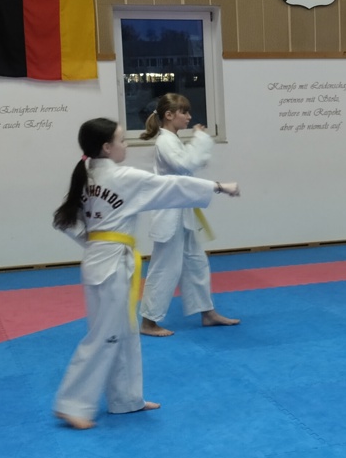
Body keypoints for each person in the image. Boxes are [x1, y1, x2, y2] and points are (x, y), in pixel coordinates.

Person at [50, 117, 240, 429]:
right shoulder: (121, 177)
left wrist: (94, 242)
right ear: (107, 147)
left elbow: (64, 221)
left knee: (125, 333)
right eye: (122, 140)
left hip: (103, 260)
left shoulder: (87, 175)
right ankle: (71, 404)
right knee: (105, 334)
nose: (126, 145)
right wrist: (218, 187)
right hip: (110, 264)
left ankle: (126, 400)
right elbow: (170, 185)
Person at [136, 93, 240, 337]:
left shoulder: (172, 140)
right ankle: (149, 321)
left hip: (182, 212)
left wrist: (198, 143)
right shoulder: (165, 141)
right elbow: (184, 165)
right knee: (165, 267)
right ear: (169, 115)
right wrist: (200, 140)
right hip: (169, 214)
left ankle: (207, 312)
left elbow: (189, 165)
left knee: (196, 263)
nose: (189, 117)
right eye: (184, 112)